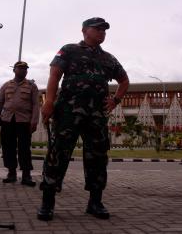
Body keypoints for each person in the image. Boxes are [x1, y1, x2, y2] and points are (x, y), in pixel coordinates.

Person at [37, 17, 129, 221]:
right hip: (68, 113)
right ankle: (47, 202)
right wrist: (49, 101)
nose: (102, 32)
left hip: (96, 116)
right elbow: (54, 75)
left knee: (97, 157)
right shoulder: (69, 50)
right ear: (84, 30)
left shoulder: (108, 58)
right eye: (98, 29)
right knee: (58, 154)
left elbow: (124, 80)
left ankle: (95, 202)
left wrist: (115, 100)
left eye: (104, 30)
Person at [0, 61, 40, 187]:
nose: (23, 70)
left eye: (25, 69)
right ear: (14, 70)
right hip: (7, 120)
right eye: (20, 68)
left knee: (24, 148)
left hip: (24, 121)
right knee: (8, 147)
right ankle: (11, 173)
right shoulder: (6, 85)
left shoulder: (32, 86)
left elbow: (36, 105)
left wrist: (34, 121)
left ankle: (26, 175)